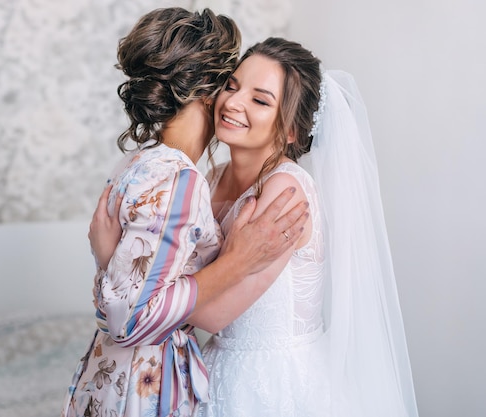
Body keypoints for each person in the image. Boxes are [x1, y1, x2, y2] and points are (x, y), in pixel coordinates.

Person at [61, 10, 309, 417]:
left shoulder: (138, 163)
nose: (233, 101)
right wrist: (237, 262)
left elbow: (119, 299)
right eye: (230, 84)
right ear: (207, 90)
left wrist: (106, 263)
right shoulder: (183, 180)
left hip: (108, 376)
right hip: (140, 389)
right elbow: (131, 318)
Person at [190, 38, 419, 416]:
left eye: (260, 100)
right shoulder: (212, 177)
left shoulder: (286, 190)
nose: (232, 102)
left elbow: (212, 315)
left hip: (274, 381)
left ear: (292, 131)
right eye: (232, 85)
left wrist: (142, 287)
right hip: (215, 366)